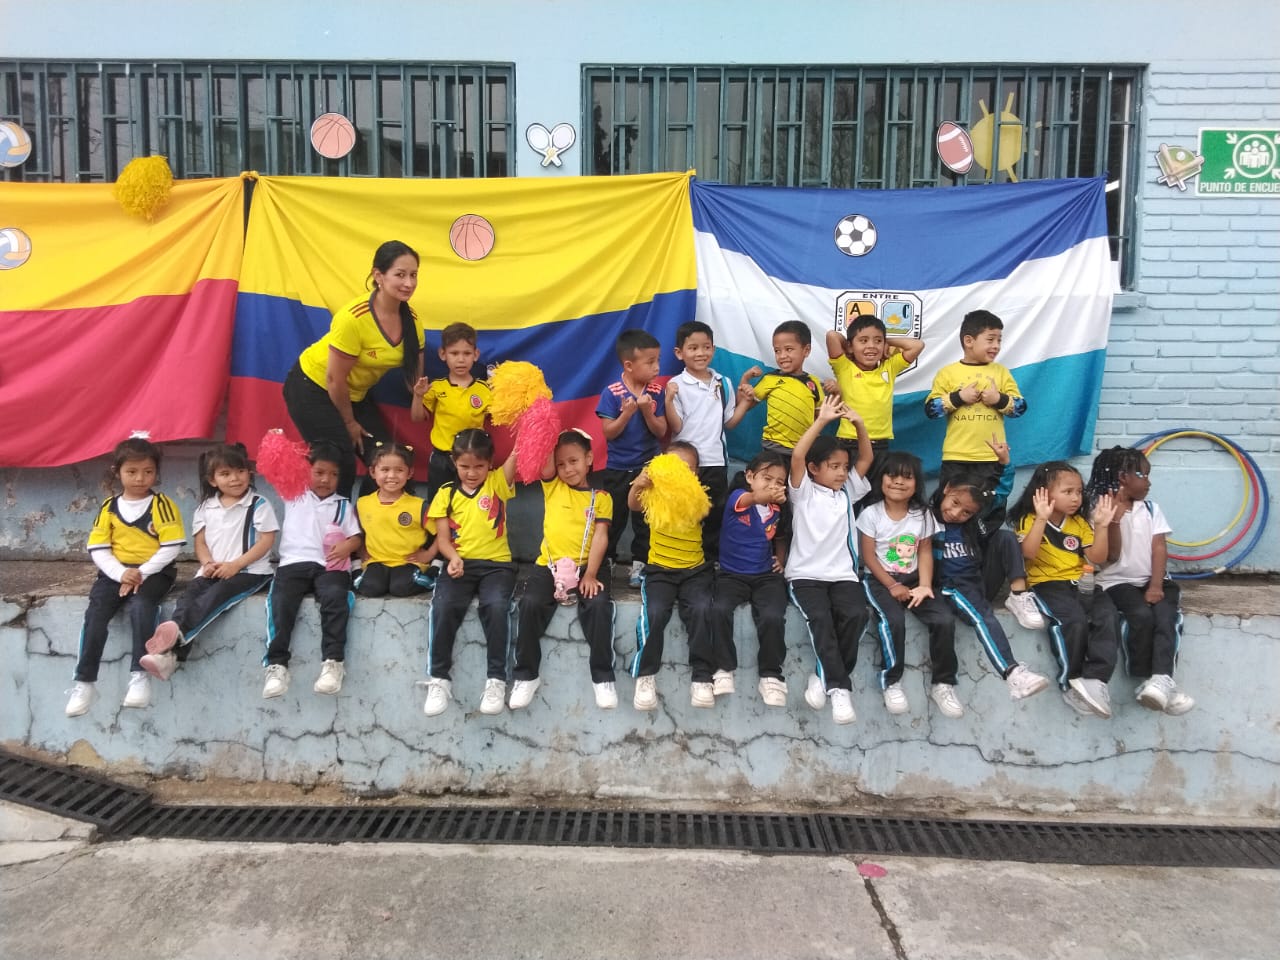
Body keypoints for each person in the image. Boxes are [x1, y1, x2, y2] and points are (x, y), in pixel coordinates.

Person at [283, 240, 425, 498]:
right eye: (400, 275)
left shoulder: (412, 321)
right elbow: (334, 379)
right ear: (378, 276)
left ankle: (371, 518)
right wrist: (349, 422)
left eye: (413, 275)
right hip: (313, 388)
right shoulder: (353, 318)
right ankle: (335, 520)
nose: (409, 283)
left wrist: (433, 399)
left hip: (354, 394)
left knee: (388, 459)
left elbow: (415, 376)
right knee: (339, 460)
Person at [65, 435, 185, 717]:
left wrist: (140, 573)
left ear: (156, 472)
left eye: (148, 471)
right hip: (115, 572)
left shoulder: (162, 504)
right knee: (96, 612)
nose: (140, 478)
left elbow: (172, 546)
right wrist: (121, 574)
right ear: (117, 472)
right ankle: (85, 682)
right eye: (132, 471)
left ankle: (139, 676)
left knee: (142, 606)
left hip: (154, 571)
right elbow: (98, 548)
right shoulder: (109, 507)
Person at [139, 444, 278, 685]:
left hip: (249, 571)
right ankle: (169, 657)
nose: (235, 478)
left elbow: (266, 540)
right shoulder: (206, 507)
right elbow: (200, 542)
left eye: (240, 471)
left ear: (249, 473)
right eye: (225, 474)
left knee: (216, 596)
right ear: (212, 480)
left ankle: (173, 643)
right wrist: (207, 563)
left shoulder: (259, 504)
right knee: (187, 599)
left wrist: (236, 565)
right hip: (212, 570)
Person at [510, 429, 616, 711]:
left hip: (588, 566)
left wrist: (590, 574)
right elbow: (545, 462)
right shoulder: (553, 486)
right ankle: (526, 676)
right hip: (549, 565)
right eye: (561, 464)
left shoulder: (601, 497)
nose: (567, 469)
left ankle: (603, 678)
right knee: (530, 604)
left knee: (598, 605)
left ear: (589, 459)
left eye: (574, 461)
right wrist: (543, 422)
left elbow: (601, 537)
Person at [1086, 446, 1194, 715]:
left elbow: (1159, 547)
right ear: (1123, 477)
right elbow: (1110, 556)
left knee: (1166, 617)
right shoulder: (1099, 510)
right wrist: (1113, 522)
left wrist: (1156, 585)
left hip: (1151, 578)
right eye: (1144, 475)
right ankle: (1146, 677)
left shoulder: (1151, 509)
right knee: (1141, 616)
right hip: (1116, 582)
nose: (1149, 482)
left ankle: (1161, 678)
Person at [786, 396, 873, 725]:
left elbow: (866, 457)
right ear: (814, 469)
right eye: (834, 467)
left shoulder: (848, 492)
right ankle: (839, 688)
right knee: (821, 619)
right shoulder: (803, 492)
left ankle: (822, 676)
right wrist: (822, 420)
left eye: (844, 467)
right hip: (805, 576)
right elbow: (797, 455)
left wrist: (859, 424)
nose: (841, 473)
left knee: (857, 615)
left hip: (843, 576)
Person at [421, 429, 519, 717]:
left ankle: (496, 680)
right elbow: (442, 540)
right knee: (444, 606)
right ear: (454, 462)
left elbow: (518, 453)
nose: (472, 473)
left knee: (496, 606)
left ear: (490, 463)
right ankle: (439, 679)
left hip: (497, 565)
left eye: (479, 466)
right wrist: (452, 558)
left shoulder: (498, 482)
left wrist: (531, 421)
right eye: (465, 466)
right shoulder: (446, 493)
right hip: (460, 564)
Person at [930, 471, 1051, 703]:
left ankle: (1018, 594)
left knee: (1006, 537)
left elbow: (997, 495)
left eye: (967, 512)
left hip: (977, 582)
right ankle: (1012, 673)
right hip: (950, 586)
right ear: (946, 489)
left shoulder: (973, 525)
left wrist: (1005, 465)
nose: (956, 513)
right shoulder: (926, 520)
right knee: (983, 616)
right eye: (955, 503)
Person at [1010, 462, 1119, 718]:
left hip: (1081, 582)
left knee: (1107, 616)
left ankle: (1095, 680)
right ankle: (1070, 682)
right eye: (1067, 491)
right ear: (1043, 493)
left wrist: (1102, 526)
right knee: (1074, 621)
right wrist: (1041, 518)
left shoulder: (1078, 523)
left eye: (1079, 492)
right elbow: (1028, 554)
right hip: (1047, 583)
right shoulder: (1029, 519)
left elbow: (1097, 557)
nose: (1075, 498)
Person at [856, 452, 960, 718]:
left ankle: (943, 683)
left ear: (917, 483)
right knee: (893, 620)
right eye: (892, 475)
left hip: (914, 579)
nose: (899, 482)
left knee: (944, 619)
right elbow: (868, 557)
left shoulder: (922, 515)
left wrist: (924, 585)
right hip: (880, 580)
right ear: (881, 479)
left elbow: (924, 552)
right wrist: (892, 586)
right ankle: (891, 681)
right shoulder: (871, 514)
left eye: (907, 477)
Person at [261, 441, 364, 699]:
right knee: (281, 602)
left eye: (333, 474)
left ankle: (333, 663)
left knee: (335, 599)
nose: (326, 479)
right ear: (305, 471)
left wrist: (347, 546)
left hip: (330, 566)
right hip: (293, 564)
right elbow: (273, 466)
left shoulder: (343, 505)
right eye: (319, 472)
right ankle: (277, 666)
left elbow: (356, 537)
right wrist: (276, 440)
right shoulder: (293, 494)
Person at [628, 441, 716, 711]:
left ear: (696, 474)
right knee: (654, 613)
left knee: (701, 609)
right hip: (660, 571)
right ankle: (645, 676)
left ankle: (702, 677)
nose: (680, 472)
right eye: (674, 467)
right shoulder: (654, 493)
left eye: (687, 469)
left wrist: (686, 490)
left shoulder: (697, 497)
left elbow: (703, 510)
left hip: (695, 571)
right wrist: (640, 484)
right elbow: (633, 505)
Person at [664, 320, 751, 563]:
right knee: (683, 513)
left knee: (714, 514)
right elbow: (676, 426)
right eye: (693, 348)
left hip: (715, 461)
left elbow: (729, 422)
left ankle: (709, 562)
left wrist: (745, 403)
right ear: (679, 353)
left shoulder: (723, 382)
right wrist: (668, 400)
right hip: (684, 464)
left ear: (713, 349)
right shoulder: (676, 385)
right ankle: (681, 559)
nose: (700, 353)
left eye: (706, 347)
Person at [710, 450, 790, 707]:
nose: (773, 485)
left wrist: (781, 559)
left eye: (780, 482)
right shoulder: (738, 498)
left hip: (765, 576)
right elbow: (753, 497)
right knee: (719, 609)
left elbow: (780, 537)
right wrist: (764, 495)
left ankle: (771, 675)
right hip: (731, 575)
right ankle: (723, 668)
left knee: (773, 616)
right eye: (767, 478)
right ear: (749, 477)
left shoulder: (777, 508)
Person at [923, 309, 1026, 493]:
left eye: (999, 340)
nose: (996, 346)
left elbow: (1020, 408)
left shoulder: (1001, 372)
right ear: (969, 341)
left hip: (992, 456)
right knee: (951, 503)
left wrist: (998, 399)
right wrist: (959, 397)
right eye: (990, 339)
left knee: (988, 504)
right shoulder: (947, 373)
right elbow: (931, 410)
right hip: (956, 457)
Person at [596, 328, 667, 587]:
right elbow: (609, 433)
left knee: (644, 521)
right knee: (613, 518)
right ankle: (607, 560)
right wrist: (626, 414)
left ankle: (640, 564)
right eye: (650, 362)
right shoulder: (612, 392)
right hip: (618, 467)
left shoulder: (656, 391)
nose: (657, 367)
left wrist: (647, 411)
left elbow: (661, 431)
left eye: (658, 360)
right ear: (628, 365)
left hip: (648, 468)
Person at [825, 315, 925, 476]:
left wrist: (888, 342)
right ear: (850, 346)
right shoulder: (844, 367)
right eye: (863, 341)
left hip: (879, 444)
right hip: (849, 442)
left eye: (877, 341)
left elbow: (918, 345)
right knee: (849, 488)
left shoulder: (889, 368)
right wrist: (849, 349)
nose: (871, 346)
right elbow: (832, 336)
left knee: (876, 488)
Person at [411, 321, 492, 507]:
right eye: (454, 353)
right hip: (442, 458)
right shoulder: (436, 387)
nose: (461, 360)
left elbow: (499, 419)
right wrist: (418, 396)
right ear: (443, 354)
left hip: (473, 459)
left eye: (466, 353)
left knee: (471, 506)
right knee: (439, 505)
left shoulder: (485, 390)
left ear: (475, 355)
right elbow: (416, 418)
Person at [354, 443, 434, 597]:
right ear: (372, 472)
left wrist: (429, 554)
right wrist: (361, 550)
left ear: (409, 473)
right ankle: (355, 568)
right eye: (385, 470)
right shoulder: (362, 504)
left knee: (401, 588)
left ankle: (435, 572)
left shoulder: (419, 506)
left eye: (399, 470)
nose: (391, 476)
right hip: (376, 561)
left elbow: (442, 532)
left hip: (408, 562)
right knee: (370, 588)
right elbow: (355, 532)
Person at [738, 320, 825, 457]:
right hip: (773, 447)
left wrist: (836, 392)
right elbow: (743, 406)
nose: (782, 356)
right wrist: (745, 380)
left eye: (789, 349)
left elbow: (821, 417)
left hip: (804, 449)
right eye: (777, 351)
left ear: (806, 350)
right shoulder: (770, 379)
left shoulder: (814, 383)